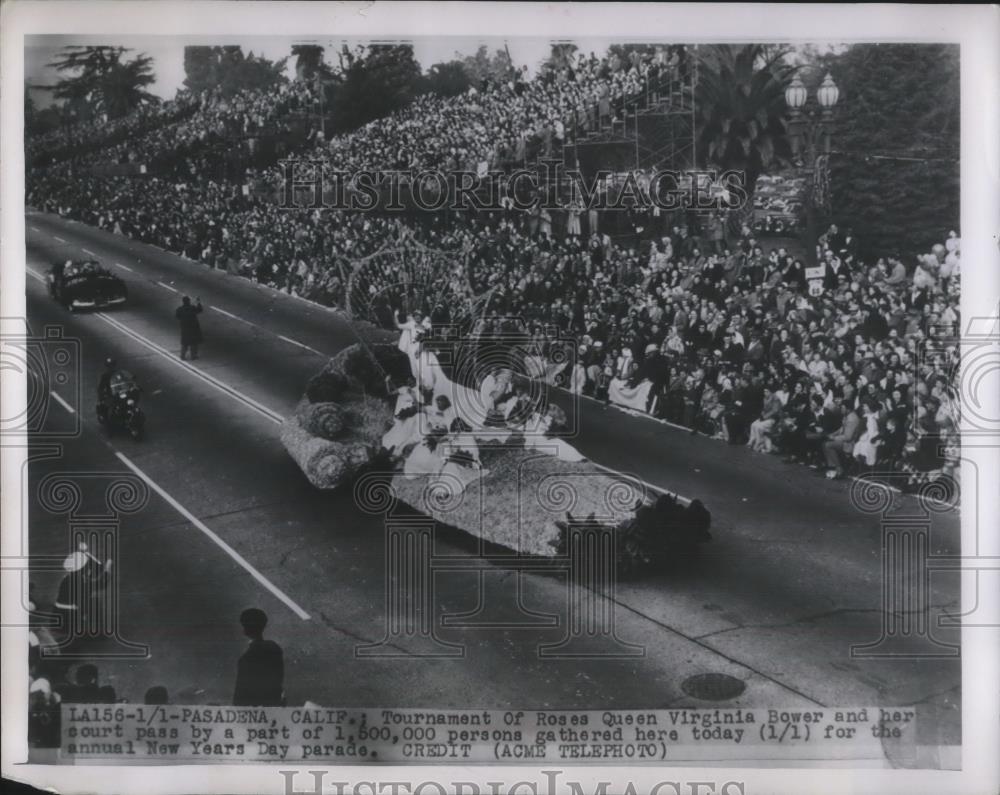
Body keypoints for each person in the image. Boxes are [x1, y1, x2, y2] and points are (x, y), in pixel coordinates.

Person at [233, 608, 285, 707]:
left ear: (245, 628)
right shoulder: (274, 648)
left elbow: (241, 688)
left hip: (252, 708)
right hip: (271, 704)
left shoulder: (248, 656)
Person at [175, 296, 204, 360]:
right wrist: (198, 302)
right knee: (194, 343)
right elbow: (200, 310)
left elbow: (177, 316)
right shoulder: (192, 308)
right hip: (193, 328)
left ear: (183, 302)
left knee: (185, 343)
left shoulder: (179, 309)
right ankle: (193, 356)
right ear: (189, 301)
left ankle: (182, 356)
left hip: (185, 328)